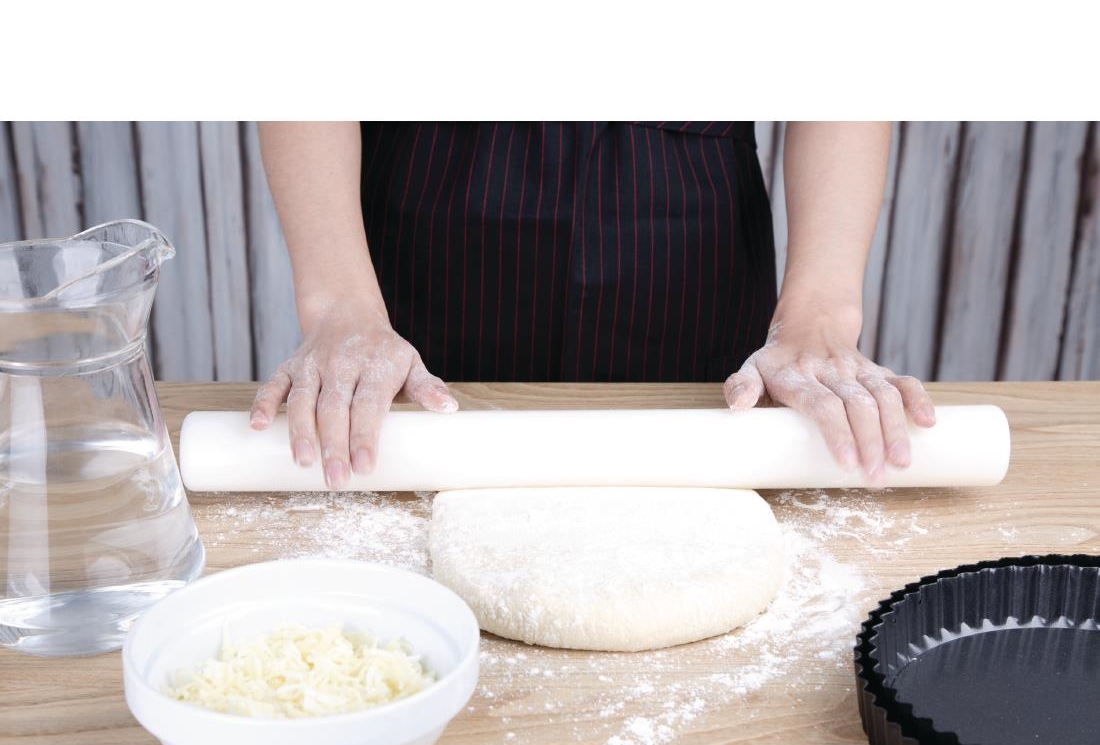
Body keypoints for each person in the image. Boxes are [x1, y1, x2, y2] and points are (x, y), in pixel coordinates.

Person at [249, 122, 935, 489]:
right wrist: (340, 305)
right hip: (433, 204)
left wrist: (818, 315)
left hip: (691, 227)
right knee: (399, 487)